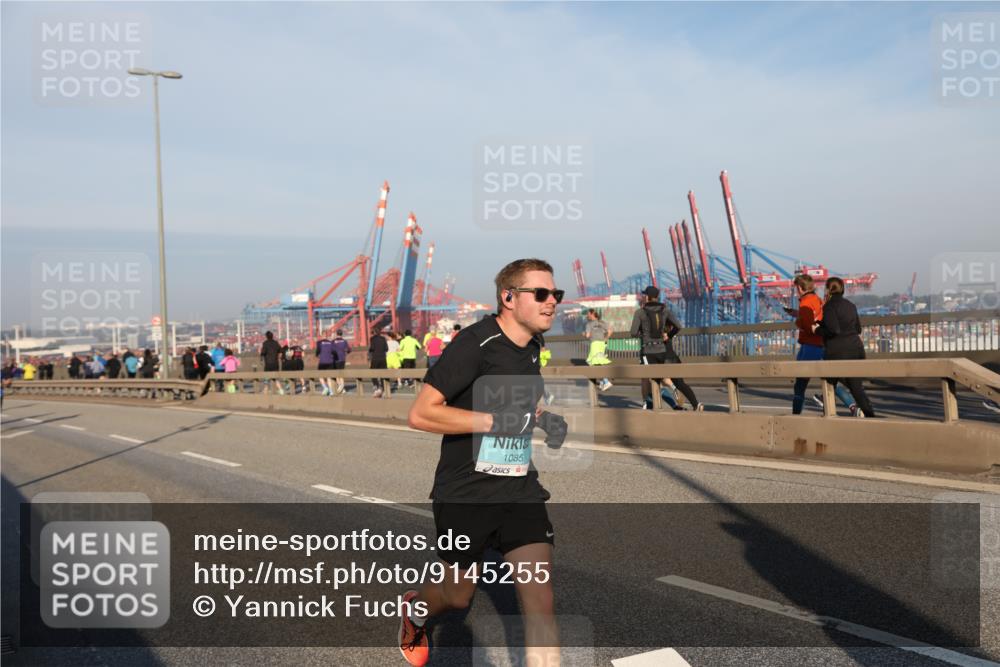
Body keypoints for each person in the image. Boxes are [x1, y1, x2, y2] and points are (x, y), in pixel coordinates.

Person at [402, 258, 567, 667]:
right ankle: (416, 609)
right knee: (457, 596)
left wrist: (544, 418)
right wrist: (495, 422)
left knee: (541, 600)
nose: (551, 302)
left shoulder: (533, 346)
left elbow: (520, 403)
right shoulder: (474, 344)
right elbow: (421, 414)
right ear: (508, 298)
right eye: (541, 294)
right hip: (466, 491)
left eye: (555, 294)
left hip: (519, 488)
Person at [786, 274, 857, 416]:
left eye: (796, 288)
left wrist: (798, 321)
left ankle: (795, 415)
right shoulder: (818, 300)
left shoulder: (805, 302)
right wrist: (798, 314)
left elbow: (808, 325)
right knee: (831, 380)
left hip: (810, 345)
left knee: (800, 385)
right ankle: (854, 407)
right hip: (822, 344)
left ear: (799, 288)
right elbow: (817, 317)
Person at [811, 277, 875, 418]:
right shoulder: (850, 305)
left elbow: (834, 330)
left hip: (838, 352)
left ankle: (827, 409)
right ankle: (870, 416)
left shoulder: (829, 307)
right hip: (856, 349)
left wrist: (817, 330)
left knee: (831, 380)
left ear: (828, 290)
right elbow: (858, 329)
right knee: (855, 387)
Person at [629, 285, 702, 411]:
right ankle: (693, 403)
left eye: (645, 295)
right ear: (657, 297)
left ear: (647, 297)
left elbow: (633, 333)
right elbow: (678, 326)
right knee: (669, 380)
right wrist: (668, 335)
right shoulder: (665, 310)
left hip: (648, 351)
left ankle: (652, 406)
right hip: (662, 350)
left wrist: (643, 335)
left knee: (650, 380)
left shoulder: (640, 312)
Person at [584, 309, 613, 391]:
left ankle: (605, 381)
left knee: (592, 362)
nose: (587, 315)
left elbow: (587, 335)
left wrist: (584, 334)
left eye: (588, 314)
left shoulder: (589, 324)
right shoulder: (602, 322)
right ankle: (602, 382)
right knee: (598, 362)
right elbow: (610, 330)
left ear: (592, 314)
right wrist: (605, 338)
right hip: (602, 344)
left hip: (594, 344)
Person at [368, 327, 389, 397]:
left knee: (373, 372)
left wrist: (370, 350)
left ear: (374, 332)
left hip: (375, 358)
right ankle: (384, 389)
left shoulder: (372, 339)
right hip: (383, 358)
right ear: (380, 332)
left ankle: (376, 387)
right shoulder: (383, 339)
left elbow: (372, 348)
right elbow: (386, 349)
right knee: (384, 373)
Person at [332, 330, 351, 394]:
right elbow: (349, 350)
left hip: (336, 359)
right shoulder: (344, 341)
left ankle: (341, 387)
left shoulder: (333, 341)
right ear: (341, 334)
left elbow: (331, 350)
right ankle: (342, 388)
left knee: (337, 374)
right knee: (341, 374)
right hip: (342, 359)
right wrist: (345, 352)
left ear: (336, 334)